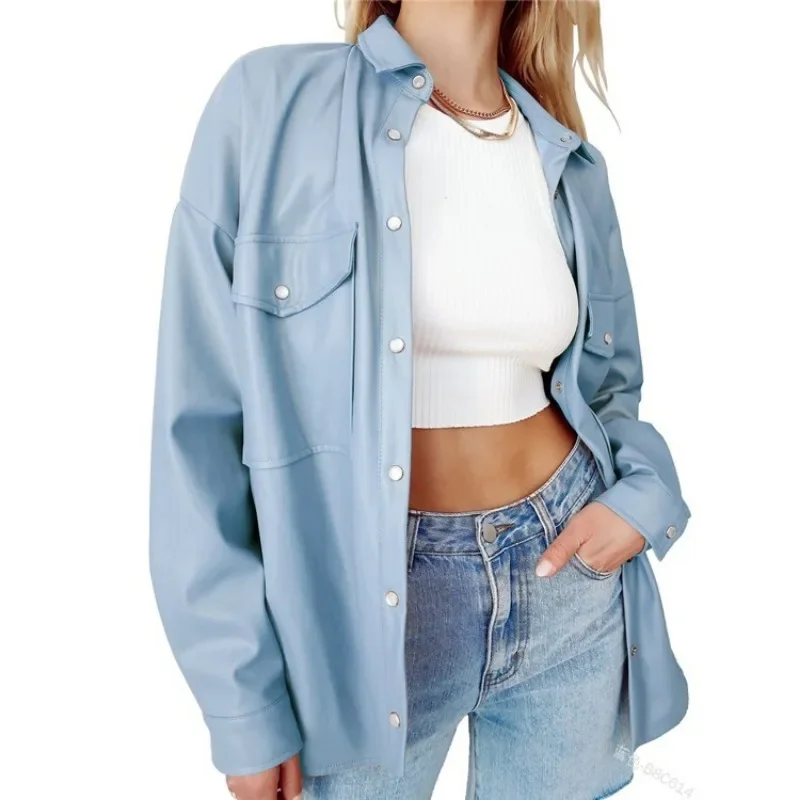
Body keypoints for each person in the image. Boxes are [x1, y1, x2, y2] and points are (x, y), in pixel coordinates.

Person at [149, 2, 692, 798]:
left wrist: (642, 500)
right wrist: (243, 706)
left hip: (567, 583)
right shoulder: (272, 104)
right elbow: (196, 426)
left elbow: (610, 389)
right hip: (358, 616)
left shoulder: (569, 163)